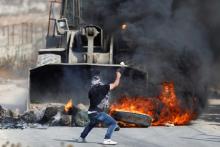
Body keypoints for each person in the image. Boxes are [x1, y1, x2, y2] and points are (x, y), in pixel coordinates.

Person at [77, 71, 122, 145]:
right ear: (99, 82)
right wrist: (118, 76)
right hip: (97, 113)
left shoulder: (90, 91)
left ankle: (81, 138)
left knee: (91, 124)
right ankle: (107, 139)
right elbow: (115, 84)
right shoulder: (102, 88)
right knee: (113, 123)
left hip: (90, 113)